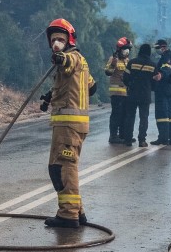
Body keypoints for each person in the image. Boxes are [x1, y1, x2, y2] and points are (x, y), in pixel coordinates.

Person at [38, 18, 96, 229]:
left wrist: (61, 58)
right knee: (61, 167)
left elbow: (68, 62)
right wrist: (49, 97)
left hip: (69, 125)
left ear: (69, 40)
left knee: (63, 168)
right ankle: (77, 211)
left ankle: (68, 214)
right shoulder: (82, 62)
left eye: (60, 39)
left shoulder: (72, 57)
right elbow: (91, 86)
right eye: (53, 40)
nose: (56, 44)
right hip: (69, 125)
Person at [122, 43, 155, 147]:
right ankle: (142, 140)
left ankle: (128, 139)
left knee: (130, 117)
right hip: (145, 95)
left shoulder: (132, 62)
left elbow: (125, 78)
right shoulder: (153, 65)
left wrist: (130, 85)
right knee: (144, 118)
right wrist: (149, 88)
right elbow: (155, 82)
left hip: (132, 94)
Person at [150, 39, 171, 146]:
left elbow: (166, 70)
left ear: (163, 47)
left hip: (163, 89)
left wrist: (160, 75)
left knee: (162, 114)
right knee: (169, 115)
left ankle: (163, 138)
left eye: (158, 48)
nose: (157, 50)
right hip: (169, 89)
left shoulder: (166, 58)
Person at [104, 37, 131, 144]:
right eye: (125, 48)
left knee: (124, 114)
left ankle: (123, 135)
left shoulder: (127, 61)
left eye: (128, 49)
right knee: (116, 114)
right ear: (120, 49)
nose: (127, 51)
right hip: (116, 93)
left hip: (125, 93)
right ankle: (113, 136)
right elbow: (108, 72)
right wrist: (113, 63)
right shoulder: (113, 59)